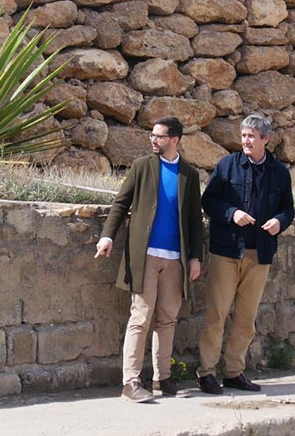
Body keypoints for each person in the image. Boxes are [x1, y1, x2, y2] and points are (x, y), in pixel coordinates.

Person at [96, 116, 203, 403]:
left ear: (175, 140)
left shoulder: (189, 175)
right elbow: (121, 203)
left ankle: (161, 377)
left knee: (167, 319)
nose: (153, 140)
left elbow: (194, 220)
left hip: (175, 261)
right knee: (140, 317)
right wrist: (107, 236)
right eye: (152, 135)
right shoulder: (141, 167)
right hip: (145, 257)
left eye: (159, 136)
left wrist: (195, 258)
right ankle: (130, 382)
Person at [196, 114, 295, 394]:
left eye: (252, 136)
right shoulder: (227, 166)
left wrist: (280, 221)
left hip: (259, 254)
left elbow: (288, 209)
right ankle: (206, 373)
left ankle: (234, 372)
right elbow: (209, 201)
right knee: (216, 316)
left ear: (266, 139)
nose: (246, 141)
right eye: (243, 136)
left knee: (246, 319)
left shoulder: (279, 173)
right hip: (226, 251)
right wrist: (232, 213)